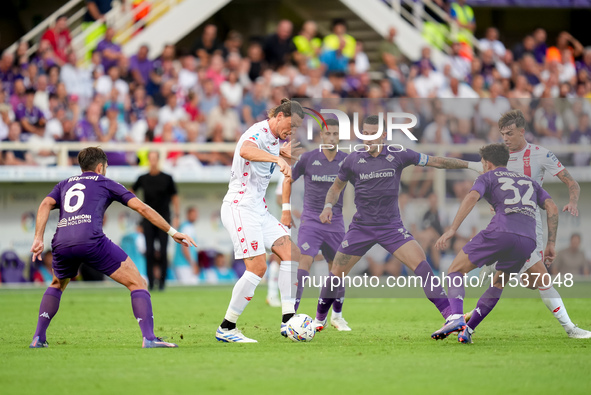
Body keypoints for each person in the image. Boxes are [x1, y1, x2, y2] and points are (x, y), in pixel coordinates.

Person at [315, 115, 482, 329]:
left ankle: (451, 316)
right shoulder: (352, 160)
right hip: (361, 228)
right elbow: (335, 188)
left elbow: (436, 161)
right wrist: (328, 206)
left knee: (422, 266)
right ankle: (319, 320)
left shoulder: (398, 154)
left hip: (391, 228)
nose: (368, 139)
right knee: (336, 274)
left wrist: (472, 165)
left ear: (383, 135)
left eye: (373, 134)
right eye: (364, 134)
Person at [28, 147, 196, 348]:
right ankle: (149, 338)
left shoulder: (65, 184)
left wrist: (38, 237)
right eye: (106, 167)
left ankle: (38, 337)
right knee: (138, 283)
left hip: (61, 242)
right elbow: (141, 207)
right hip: (91, 240)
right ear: (100, 167)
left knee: (57, 284)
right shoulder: (105, 182)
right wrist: (172, 231)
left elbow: (45, 203)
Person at [468, 109, 591, 339]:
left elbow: (571, 182)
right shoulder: (498, 156)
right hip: (510, 227)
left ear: (522, 131)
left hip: (531, 225)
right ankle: (570, 328)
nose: (505, 138)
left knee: (529, 282)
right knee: (543, 280)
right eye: (502, 133)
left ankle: (469, 321)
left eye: (510, 133)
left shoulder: (541, 155)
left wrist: (573, 201)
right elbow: (480, 177)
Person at [431, 143, 558, 344]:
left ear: (488, 163)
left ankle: (456, 318)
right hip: (528, 239)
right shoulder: (529, 181)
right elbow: (551, 206)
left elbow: (472, 196)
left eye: (483, 163)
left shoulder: (487, 177)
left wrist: (452, 229)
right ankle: (468, 330)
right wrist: (551, 242)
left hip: (501, 231)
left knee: (455, 270)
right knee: (498, 283)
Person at [215, 98, 302, 343]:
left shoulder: (274, 141)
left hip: (258, 210)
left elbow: (266, 149)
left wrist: (279, 152)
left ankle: (288, 321)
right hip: (240, 207)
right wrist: (276, 158)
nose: (291, 131)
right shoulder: (258, 131)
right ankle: (227, 327)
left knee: (291, 254)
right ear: (280, 116)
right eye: (291, 125)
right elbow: (245, 149)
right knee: (258, 268)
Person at [286, 118, 350, 331]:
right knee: (304, 261)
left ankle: (336, 316)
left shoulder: (347, 160)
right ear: (321, 135)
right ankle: (290, 317)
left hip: (336, 221)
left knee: (338, 269)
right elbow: (288, 179)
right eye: (328, 133)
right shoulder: (307, 158)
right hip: (311, 220)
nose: (331, 137)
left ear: (339, 137)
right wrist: (286, 209)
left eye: (335, 134)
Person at [131, 151, 180, 291]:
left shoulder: (167, 178)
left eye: (154, 158)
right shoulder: (142, 178)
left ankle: (163, 283)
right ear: (148, 160)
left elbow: (175, 197)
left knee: (163, 251)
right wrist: (137, 209)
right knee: (150, 251)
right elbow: (130, 192)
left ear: (158, 160)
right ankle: (151, 283)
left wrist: (176, 215)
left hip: (164, 219)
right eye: (150, 159)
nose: (152, 161)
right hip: (148, 220)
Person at [172, 207, 200, 285]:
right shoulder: (186, 227)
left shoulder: (188, 226)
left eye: (196, 215)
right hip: (184, 264)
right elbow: (185, 248)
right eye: (193, 214)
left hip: (185, 264)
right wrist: (193, 264)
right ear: (188, 215)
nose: (195, 216)